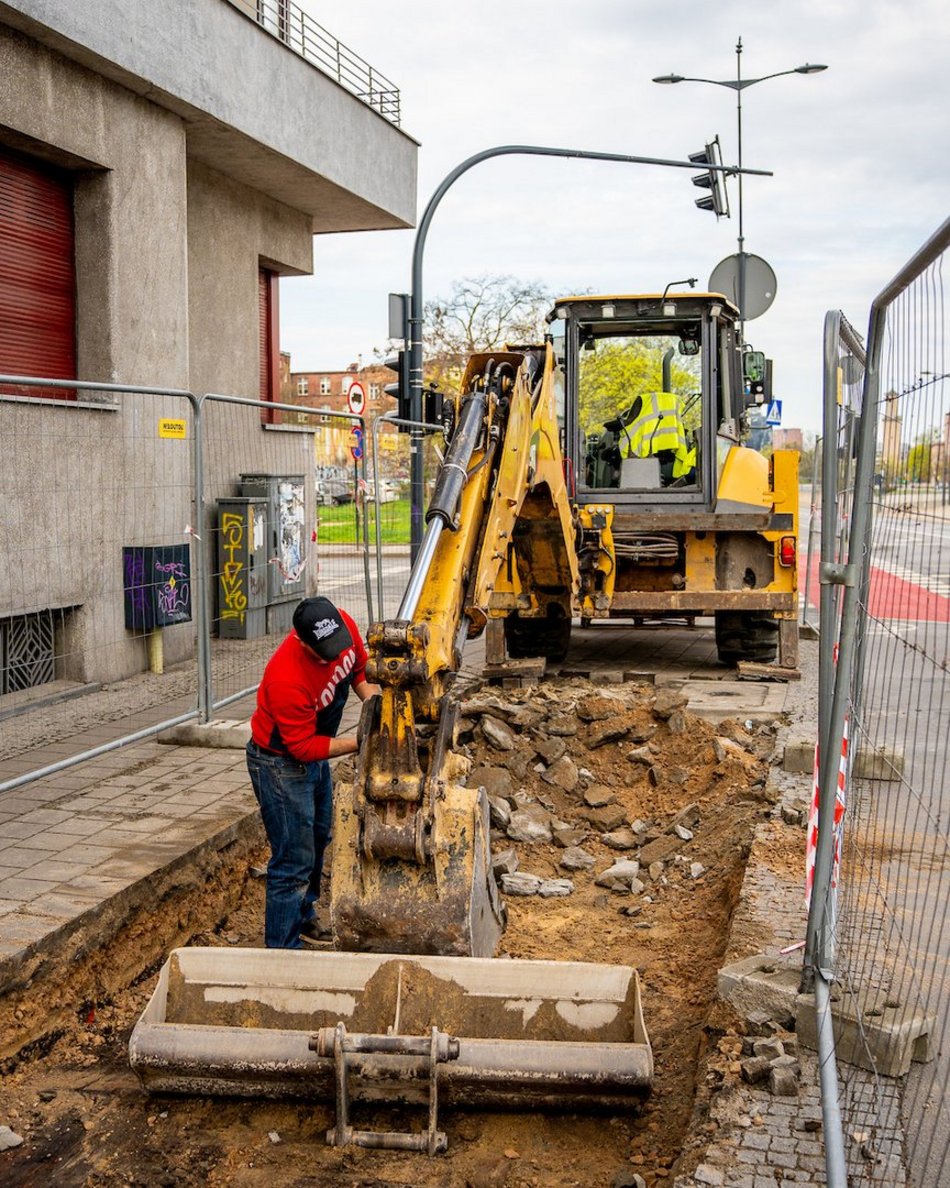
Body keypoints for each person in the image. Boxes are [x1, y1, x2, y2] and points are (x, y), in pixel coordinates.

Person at [245, 596, 379, 949]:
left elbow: (359, 669)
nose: (334, 656)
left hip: (314, 757)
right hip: (280, 764)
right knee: (292, 858)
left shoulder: (342, 628)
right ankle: (283, 949)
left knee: (319, 836)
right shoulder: (286, 678)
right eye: (324, 652)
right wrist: (362, 740)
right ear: (301, 641)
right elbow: (302, 747)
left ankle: (303, 918)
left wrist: (375, 705)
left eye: (337, 648)